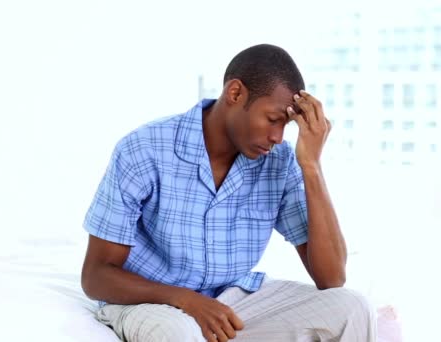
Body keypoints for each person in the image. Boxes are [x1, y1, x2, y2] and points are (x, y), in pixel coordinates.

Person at [81, 43, 376, 342]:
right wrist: (186, 300)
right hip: (152, 303)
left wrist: (311, 165)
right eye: (273, 120)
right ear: (235, 94)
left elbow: (331, 278)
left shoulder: (279, 161)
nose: (277, 137)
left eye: (285, 126)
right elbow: (96, 276)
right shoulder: (144, 149)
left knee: (353, 307)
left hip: (232, 304)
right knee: (178, 333)